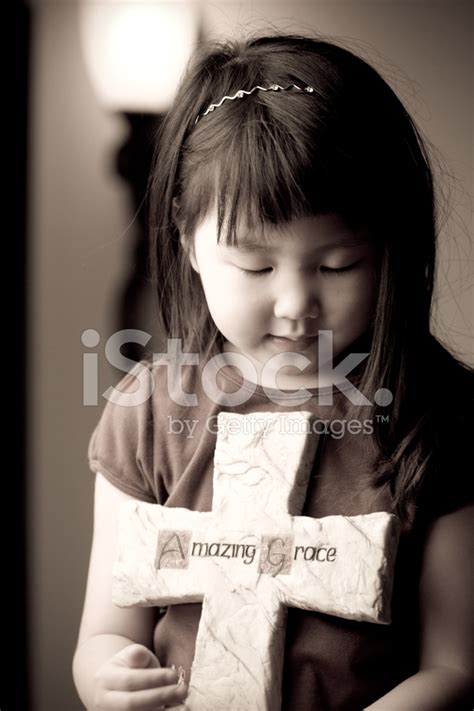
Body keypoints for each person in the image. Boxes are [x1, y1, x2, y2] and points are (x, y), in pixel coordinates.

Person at [73, 33, 473, 710]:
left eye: (336, 265)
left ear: (388, 248)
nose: (296, 305)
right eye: (256, 266)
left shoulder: (434, 413)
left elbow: (455, 662)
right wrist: (109, 677)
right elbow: (107, 632)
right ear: (186, 237)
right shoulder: (147, 412)